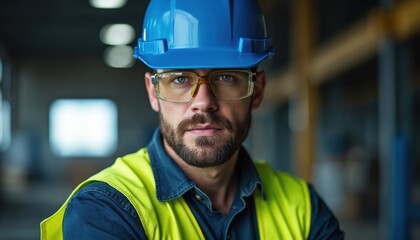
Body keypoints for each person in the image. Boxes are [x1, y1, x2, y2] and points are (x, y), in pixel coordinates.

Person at [41, 0, 344, 239]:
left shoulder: (303, 207)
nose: (203, 102)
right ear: (153, 92)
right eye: (180, 79)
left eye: (226, 77)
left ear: (257, 91)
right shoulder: (105, 209)